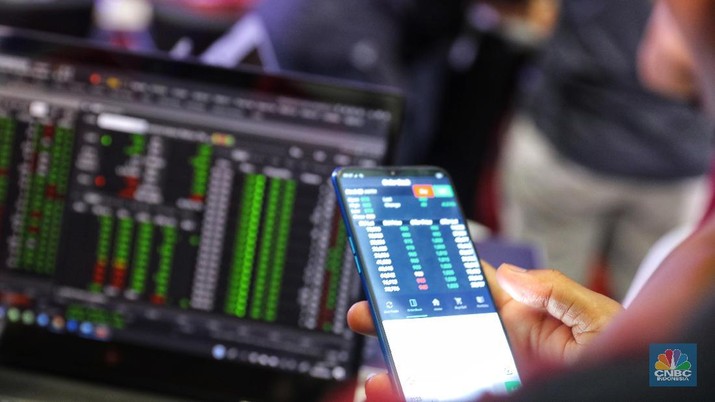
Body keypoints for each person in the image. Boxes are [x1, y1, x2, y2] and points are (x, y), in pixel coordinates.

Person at [347, 0, 715, 399]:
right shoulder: (694, 285)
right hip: (673, 164)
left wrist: (600, 374)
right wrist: (614, 348)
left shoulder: (700, 263)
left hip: (573, 142)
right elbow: (688, 372)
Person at [498, 0, 714, 300]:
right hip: (674, 160)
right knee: (646, 305)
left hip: (575, 147)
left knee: (539, 302)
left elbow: (668, 61)